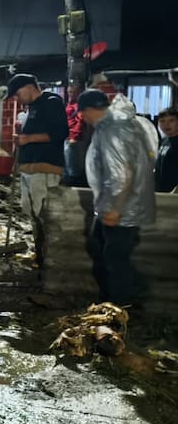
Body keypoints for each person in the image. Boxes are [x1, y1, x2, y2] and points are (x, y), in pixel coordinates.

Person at [79, 89, 156, 305]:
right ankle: (113, 302)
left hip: (121, 207)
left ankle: (118, 308)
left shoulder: (112, 129)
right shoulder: (115, 126)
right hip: (117, 204)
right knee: (107, 254)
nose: (82, 117)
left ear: (92, 110)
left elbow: (121, 175)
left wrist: (115, 208)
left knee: (115, 260)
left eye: (83, 112)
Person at [6, 73, 67, 268]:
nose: (17, 98)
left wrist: (29, 139)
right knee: (30, 210)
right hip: (27, 168)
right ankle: (39, 253)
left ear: (29, 86)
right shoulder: (30, 108)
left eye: (17, 93)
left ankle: (50, 258)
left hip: (45, 167)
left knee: (44, 213)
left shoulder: (51, 102)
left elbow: (60, 132)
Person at [63, 83, 87, 186]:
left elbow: (80, 121)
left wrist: (75, 137)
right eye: (69, 92)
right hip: (67, 136)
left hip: (74, 139)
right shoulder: (70, 104)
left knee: (73, 165)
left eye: (73, 92)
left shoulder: (79, 105)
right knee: (67, 163)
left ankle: (74, 184)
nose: (70, 94)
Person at [155, 107, 178, 193]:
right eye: (162, 121)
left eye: (171, 120)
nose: (166, 124)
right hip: (160, 192)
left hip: (173, 195)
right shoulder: (164, 140)